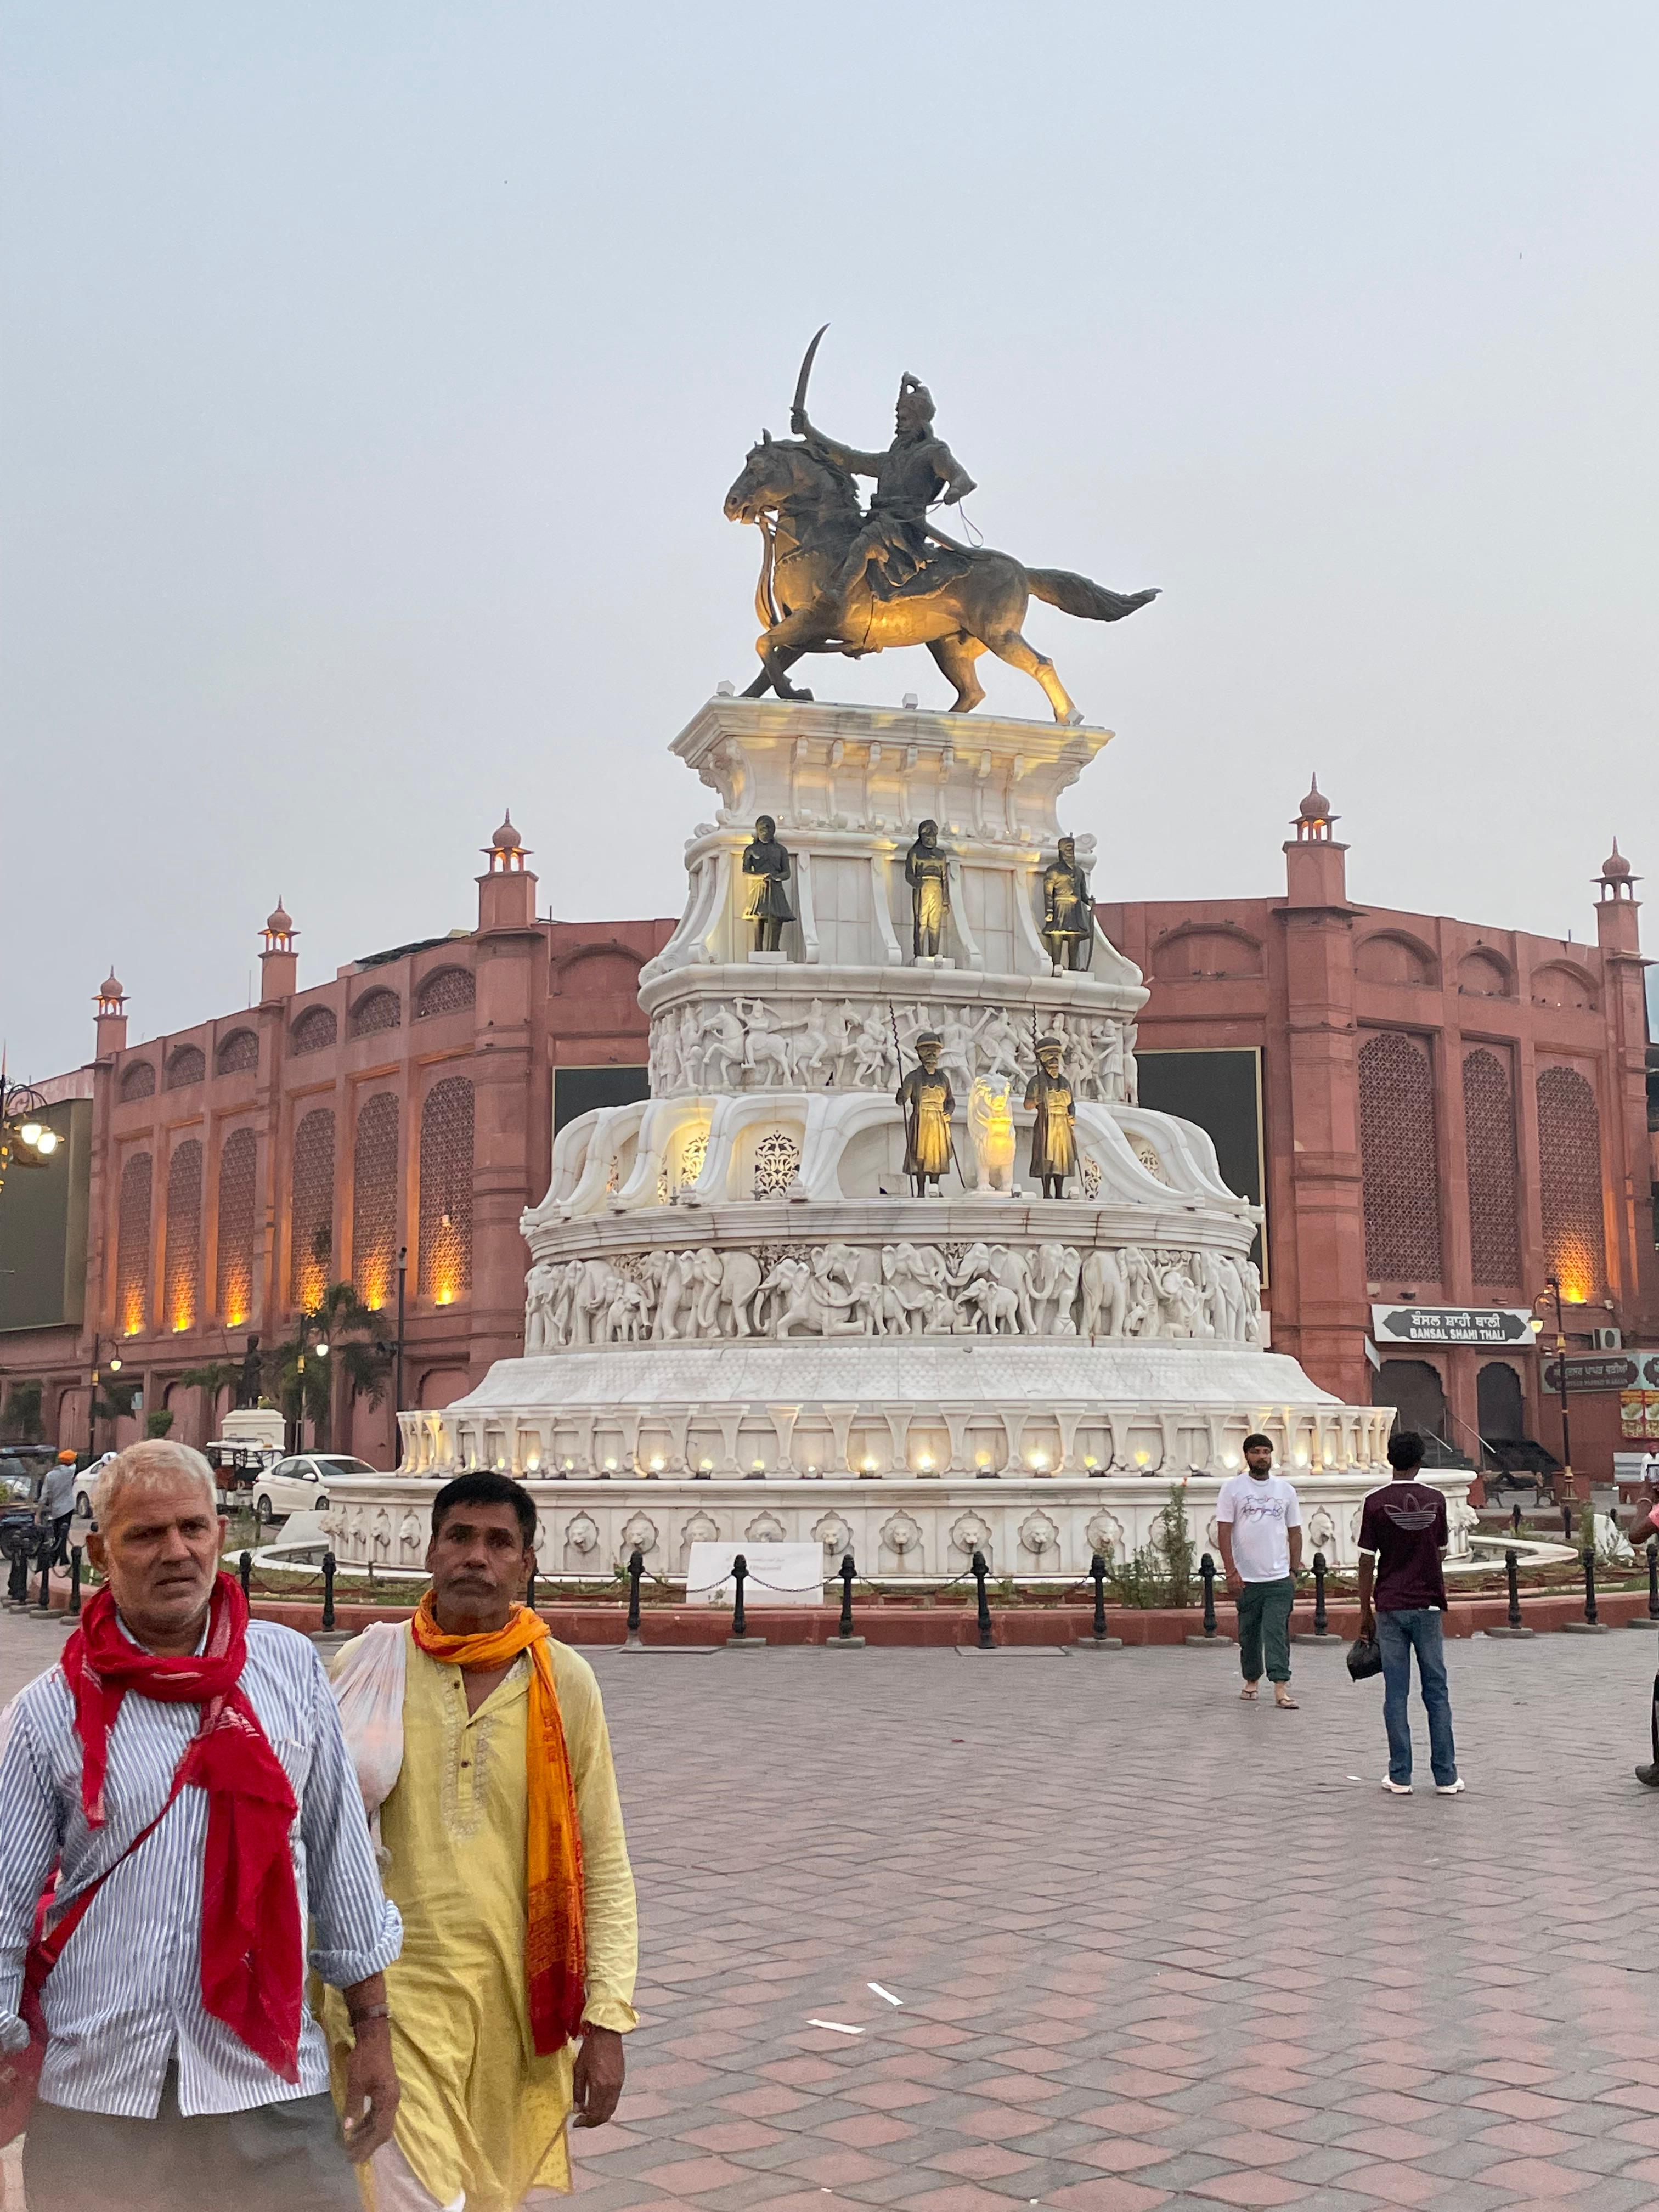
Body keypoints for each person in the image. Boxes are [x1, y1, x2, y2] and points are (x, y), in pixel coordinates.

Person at [0, 1439, 402, 2212]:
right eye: (144, 1535)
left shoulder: (286, 1669)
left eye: (190, 1528)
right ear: (97, 1551)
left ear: (220, 1533)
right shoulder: (49, 1713)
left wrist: (373, 2030)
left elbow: (341, 1862)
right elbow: (6, 1908)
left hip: (269, 2078)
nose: (174, 1552)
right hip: (103, 2091)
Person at [326, 1472, 637, 2212]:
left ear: (527, 1564)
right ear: (430, 1550)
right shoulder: (367, 1668)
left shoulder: (566, 1682)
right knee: (414, 2196)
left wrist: (607, 2015)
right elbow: (320, 1840)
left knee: (479, 2196)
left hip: (514, 2003)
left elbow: (603, 1858)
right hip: (390, 1995)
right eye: (460, 1536)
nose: (477, 1557)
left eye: (500, 1542)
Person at [792, 373, 977, 602]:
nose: (900, 422)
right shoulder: (890, 459)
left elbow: (961, 478)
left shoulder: (933, 452)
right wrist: (809, 431)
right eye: (898, 418)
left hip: (905, 527)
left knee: (866, 541)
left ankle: (838, 593)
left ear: (920, 421)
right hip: (878, 519)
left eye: (906, 418)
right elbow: (849, 458)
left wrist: (955, 490)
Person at [1358, 1431, 1464, 1797]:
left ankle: (1400, 1774)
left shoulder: (1373, 1503)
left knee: (1396, 1693)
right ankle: (1446, 1776)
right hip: (1428, 1604)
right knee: (1436, 1690)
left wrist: (1364, 1613)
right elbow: (1441, 1552)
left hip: (1390, 1606)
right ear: (1420, 1461)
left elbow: (1365, 1562)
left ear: (1390, 1459)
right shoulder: (1435, 1500)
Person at [1215, 1434, 1303, 1709]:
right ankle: (1251, 1679)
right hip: (1247, 1578)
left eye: (1267, 1452)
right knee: (1249, 1633)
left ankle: (1280, 1686)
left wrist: (1293, 1570)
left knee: (1276, 1631)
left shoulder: (1285, 1490)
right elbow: (1224, 1531)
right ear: (1247, 1456)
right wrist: (1231, 1571)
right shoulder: (1233, 1489)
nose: (1263, 1457)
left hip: (1278, 1578)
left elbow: (1295, 1531)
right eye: (1257, 1452)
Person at [896, 1033, 955, 1197]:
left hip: (938, 1121)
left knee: (936, 1159)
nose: (931, 1054)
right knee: (920, 1157)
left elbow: (950, 1101)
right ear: (920, 1054)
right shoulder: (913, 1077)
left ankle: (934, 1189)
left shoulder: (943, 1078)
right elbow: (902, 1100)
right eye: (927, 1051)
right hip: (921, 1120)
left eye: (934, 1051)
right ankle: (921, 1192)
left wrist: (948, 1113)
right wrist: (901, 1094)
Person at [1023, 1035, 1077, 1199]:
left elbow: (1071, 1103)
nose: (1054, 1063)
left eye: (1056, 1058)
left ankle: (1059, 1193)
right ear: (1043, 1061)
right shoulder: (1036, 1082)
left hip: (1062, 1124)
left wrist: (1072, 1116)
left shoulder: (1065, 1082)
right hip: (1047, 1123)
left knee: (1061, 1161)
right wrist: (1036, 1100)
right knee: (1047, 1159)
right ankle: (1047, 1193)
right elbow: (1027, 1105)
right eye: (1050, 1058)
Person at [41, 1449, 78, 1566]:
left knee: (57, 1533)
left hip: (56, 1509)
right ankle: (62, 1558)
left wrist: (38, 1512)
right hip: (68, 1508)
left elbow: (44, 1495)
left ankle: (57, 1556)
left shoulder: (50, 1476)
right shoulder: (70, 1472)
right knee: (64, 1533)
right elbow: (74, 1465)